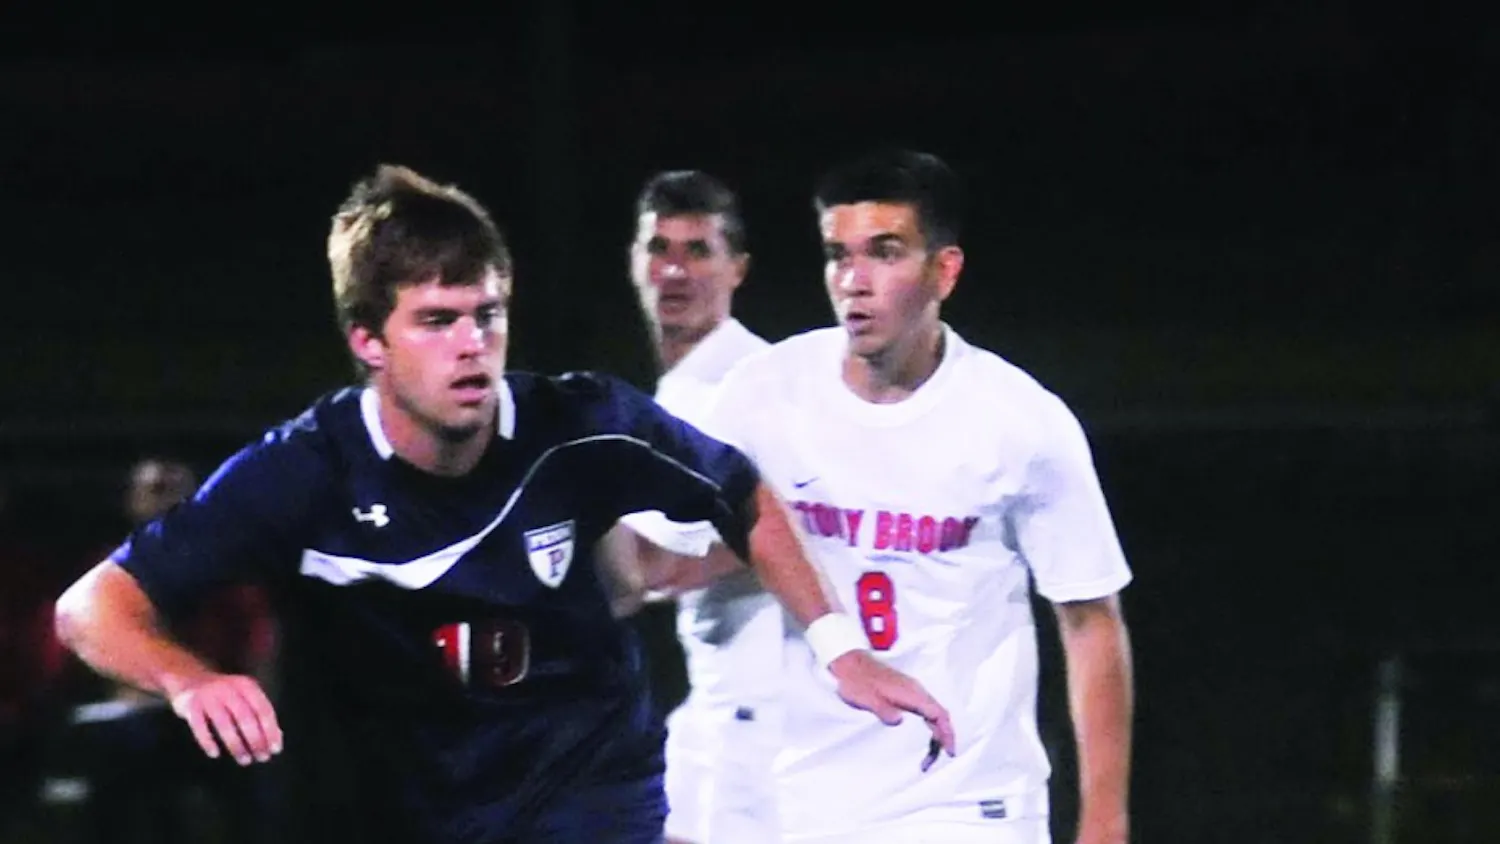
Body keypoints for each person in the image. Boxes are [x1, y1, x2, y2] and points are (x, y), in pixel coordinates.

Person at [52, 163, 954, 844]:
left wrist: (840, 648)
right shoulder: (306, 472)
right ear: (368, 340)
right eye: (436, 321)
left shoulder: (582, 423)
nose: (472, 345)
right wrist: (189, 678)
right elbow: (91, 607)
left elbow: (739, 492)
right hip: (395, 807)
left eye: (486, 315)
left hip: (584, 793)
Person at [635, 149, 1135, 844]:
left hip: (970, 805)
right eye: (838, 255)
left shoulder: (1020, 421)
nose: (854, 280)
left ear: (945, 271)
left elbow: (1090, 620)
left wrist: (1104, 824)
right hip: (806, 805)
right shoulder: (763, 394)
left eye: (885, 253)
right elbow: (656, 563)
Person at [611, 170, 783, 844]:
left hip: (764, 714)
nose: (676, 270)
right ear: (634, 261)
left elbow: (653, 568)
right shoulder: (683, 391)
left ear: (738, 268)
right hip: (716, 704)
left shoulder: (740, 388)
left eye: (698, 250)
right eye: (659, 248)